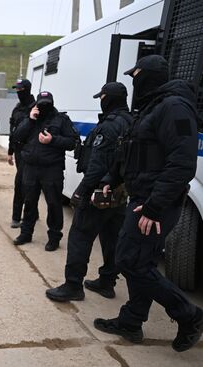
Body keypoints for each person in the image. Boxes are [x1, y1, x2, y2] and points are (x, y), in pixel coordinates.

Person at [93, 55, 203, 352]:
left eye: (136, 74)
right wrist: (112, 178)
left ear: (150, 75)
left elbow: (182, 164)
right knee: (140, 261)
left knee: (129, 260)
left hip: (154, 204)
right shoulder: (154, 106)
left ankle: (188, 315)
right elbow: (132, 151)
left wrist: (154, 206)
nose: (133, 80)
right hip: (144, 197)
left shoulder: (175, 107)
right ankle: (131, 320)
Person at [46, 82, 132, 302]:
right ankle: (107, 281)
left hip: (98, 191)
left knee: (80, 236)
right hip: (119, 191)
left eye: (102, 97)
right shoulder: (130, 121)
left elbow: (98, 164)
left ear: (108, 99)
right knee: (112, 237)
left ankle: (73, 285)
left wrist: (81, 191)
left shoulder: (109, 126)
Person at [12, 91, 78, 251]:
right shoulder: (31, 118)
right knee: (29, 202)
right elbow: (17, 136)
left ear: (52, 103)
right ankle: (26, 233)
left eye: (47, 103)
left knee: (54, 204)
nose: (44, 106)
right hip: (30, 167)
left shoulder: (61, 119)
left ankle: (54, 237)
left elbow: (72, 142)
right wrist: (29, 119)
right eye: (41, 103)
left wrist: (52, 140)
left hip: (52, 169)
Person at [8, 79, 37, 228]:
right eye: (17, 90)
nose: (18, 93)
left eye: (21, 90)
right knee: (21, 183)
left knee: (25, 184)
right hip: (19, 152)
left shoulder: (36, 107)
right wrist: (10, 151)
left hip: (32, 151)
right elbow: (12, 131)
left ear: (27, 90)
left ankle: (22, 215)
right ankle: (17, 216)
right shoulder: (17, 108)